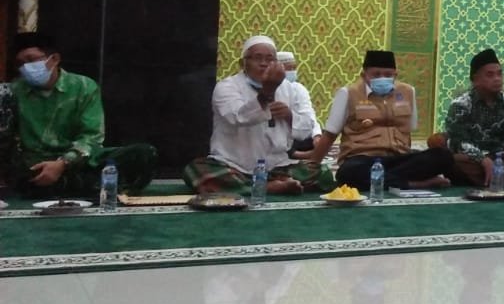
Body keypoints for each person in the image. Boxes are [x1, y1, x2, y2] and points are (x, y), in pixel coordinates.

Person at [8, 32, 157, 199]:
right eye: (20, 63)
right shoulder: (13, 92)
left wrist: (63, 163)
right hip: (37, 165)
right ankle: (90, 187)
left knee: (143, 153)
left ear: (54, 59)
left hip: (78, 161)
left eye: (31, 60)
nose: (26, 67)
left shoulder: (84, 87)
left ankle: (77, 185)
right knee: (25, 176)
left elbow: (92, 137)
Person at [184, 35, 334, 195]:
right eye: (257, 58)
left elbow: (305, 130)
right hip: (235, 165)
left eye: (270, 59)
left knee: (322, 173)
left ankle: (262, 185)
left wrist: (290, 116)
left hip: (277, 167)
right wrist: (266, 93)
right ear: (243, 63)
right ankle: (269, 187)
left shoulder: (289, 89)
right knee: (196, 170)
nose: (264, 63)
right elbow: (237, 117)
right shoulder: (227, 87)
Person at [298, 50, 454, 191]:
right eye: (376, 74)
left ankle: (388, 180)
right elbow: (330, 135)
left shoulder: (408, 92)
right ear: (364, 75)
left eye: (388, 75)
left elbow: (408, 131)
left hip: (398, 158)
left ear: (396, 75)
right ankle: (415, 184)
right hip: (362, 159)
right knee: (348, 173)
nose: (382, 78)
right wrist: (313, 165)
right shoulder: (348, 93)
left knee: (443, 156)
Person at [445, 48, 504, 187]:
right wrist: (483, 160)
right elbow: (460, 143)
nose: (497, 79)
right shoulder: (460, 105)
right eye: (490, 75)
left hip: (501, 156)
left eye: (499, 74)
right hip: (472, 158)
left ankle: (493, 177)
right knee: (451, 162)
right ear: (476, 80)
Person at [277, 51, 321, 155]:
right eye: (289, 68)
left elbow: (309, 114)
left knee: (322, 136)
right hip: (279, 135)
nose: (293, 71)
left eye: (294, 68)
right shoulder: (270, 88)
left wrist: (317, 135)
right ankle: (299, 154)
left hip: (300, 134)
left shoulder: (299, 88)